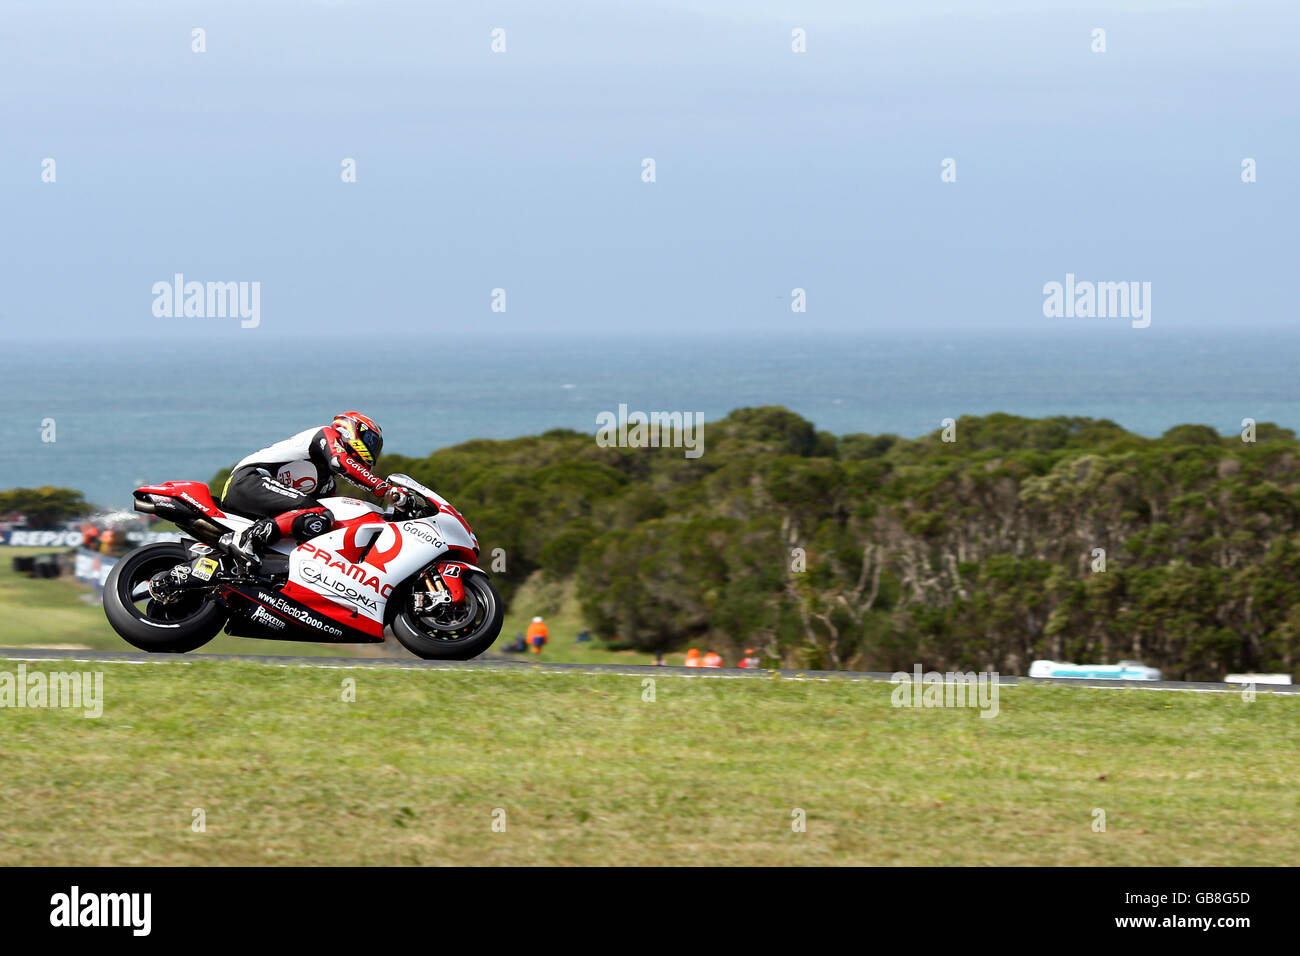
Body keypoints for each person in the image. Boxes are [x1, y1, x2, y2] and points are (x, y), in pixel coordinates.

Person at [218, 411, 407, 565]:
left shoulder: (328, 484)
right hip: (249, 480)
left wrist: (386, 520)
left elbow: (334, 517)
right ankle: (247, 538)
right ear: (353, 429)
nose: (373, 450)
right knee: (316, 510)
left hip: (254, 499)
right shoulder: (325, 434)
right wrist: (386, 490)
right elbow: (341, 462)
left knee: (322, 520)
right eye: (371, 441)